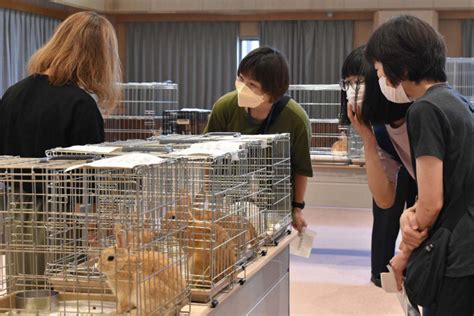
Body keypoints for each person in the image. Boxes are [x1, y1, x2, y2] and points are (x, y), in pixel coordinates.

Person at [366, 15, 474, 315]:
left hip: (454, 253)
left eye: (379, 71)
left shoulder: (424, 109)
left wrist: (403, 252)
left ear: (400, 68)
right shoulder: (458, 102)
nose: (379, 80)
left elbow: (431, 202)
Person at [204, 46, 313, 234]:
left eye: (252, 84)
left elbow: (301, 168)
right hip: (228, 202)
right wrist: (209, 196)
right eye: (240, 78)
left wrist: (297, 208)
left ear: (272, 93)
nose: (242, 87)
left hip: (273, 205)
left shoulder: (295, 118)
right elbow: (208, 155)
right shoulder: (224, 107)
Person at [340, 46, 417, 287]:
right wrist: (367, 137)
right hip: (399, 166)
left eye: (360, 80)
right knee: (385, 216)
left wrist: (405, 251)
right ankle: (380, 273)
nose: (354, 89)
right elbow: (384, 198)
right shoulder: (379, 127)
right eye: (348, 83)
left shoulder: (418, 114)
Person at [0, 11, 122, 158]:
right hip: (56, 181)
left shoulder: (12, 94)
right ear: (98, 59)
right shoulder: (80, 104)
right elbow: (88, 173)